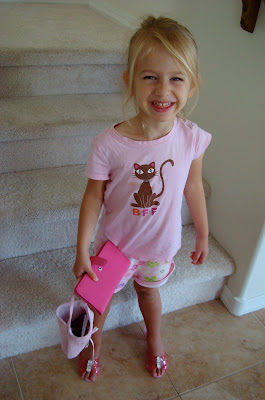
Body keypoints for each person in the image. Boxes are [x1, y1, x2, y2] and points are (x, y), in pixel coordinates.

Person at [73, 15, 211, 382]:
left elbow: (193, 187)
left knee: (149, 296)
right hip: (113, 249)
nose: (163, 89)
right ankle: (93, 346)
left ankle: (154, 340)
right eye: (150, 76)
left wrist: (202, 233)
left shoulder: (191, 139)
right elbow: (92, 199)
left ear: (192, 85)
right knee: (96, 303)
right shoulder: (107, 144)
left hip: (159, 247)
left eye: (176, 78)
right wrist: (82, 249)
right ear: (129, 81)